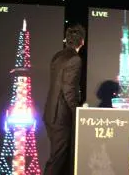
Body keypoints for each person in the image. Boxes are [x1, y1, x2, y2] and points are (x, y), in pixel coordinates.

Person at [42, 24, 86, 175]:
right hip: (61, 116)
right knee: (57, 160)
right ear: (82, 41)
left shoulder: (57, 56)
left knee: (58, 158)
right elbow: (69, 90)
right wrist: (78, 112)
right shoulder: (75, 59)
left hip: (50, 114)